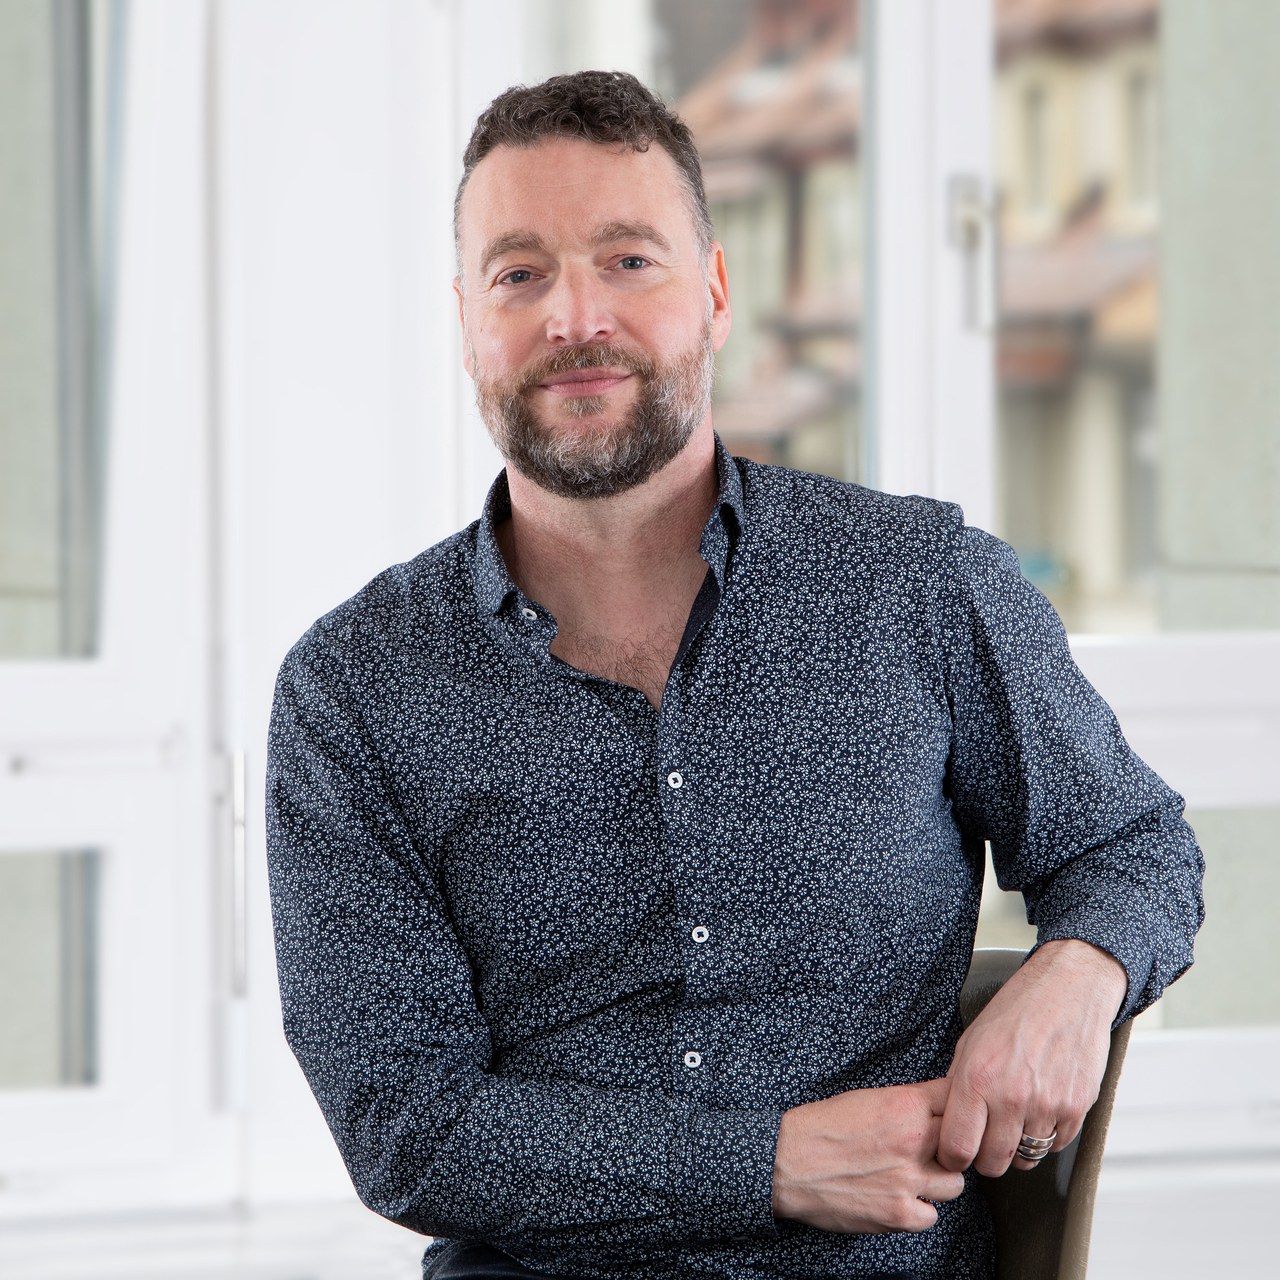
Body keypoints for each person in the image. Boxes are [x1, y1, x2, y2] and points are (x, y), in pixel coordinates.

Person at [265, 70, 1203, 1280]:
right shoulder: (352, 691)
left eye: (627, 260)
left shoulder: (914, 582)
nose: (574, 317)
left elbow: (1132, 843)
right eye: (518, 274)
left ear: (713, 293)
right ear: (466, 322)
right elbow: (407, 1125)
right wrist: (770, 1162)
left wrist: (1078, 972)